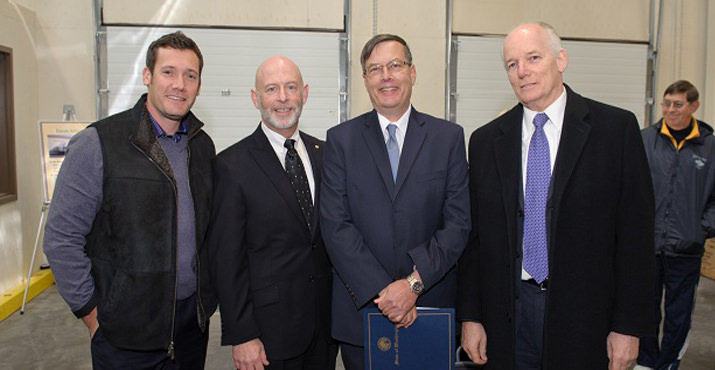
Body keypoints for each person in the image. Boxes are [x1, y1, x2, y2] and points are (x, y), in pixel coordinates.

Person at [457, 22, 655, 370]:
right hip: (508, 317)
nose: (523, 72)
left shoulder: (615, 130)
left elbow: (635, 239)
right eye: (512, 64)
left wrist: (627, 327)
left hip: (586, 319)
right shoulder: (486, 141)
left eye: (533, 58)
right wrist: (471, 316)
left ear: (561, 59)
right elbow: (476, 241)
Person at [43, 31, 216, 369]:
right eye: (168, 72)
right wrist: (92, 315)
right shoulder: (98, 143)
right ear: (147, 76)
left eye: (190, 75)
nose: (179, 84)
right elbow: (61, 238)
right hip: (124, 335)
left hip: (190, 330)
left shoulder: (202, 146)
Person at [320, 34, 471, 370]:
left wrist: (412, 285)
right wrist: (386, 294)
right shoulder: (340, 141)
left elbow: (458, 223)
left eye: (395, 65)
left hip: (430, 310)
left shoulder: (448, 139)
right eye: (375, 69)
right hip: (363, 313)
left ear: (412, 72)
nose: (385, 75)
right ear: (365, 80)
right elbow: (335, 225)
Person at [206, 56, 336, 370]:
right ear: (256, 98)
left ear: (304, 93)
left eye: (291, 87)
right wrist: (242, 333)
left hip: (325, 328)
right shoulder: (231, 166)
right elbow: (227, 259)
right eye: (272, 89)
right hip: (267, 335)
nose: (282, 98)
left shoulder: (328, 155)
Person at [637, 80, 715, 370]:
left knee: (679, 314)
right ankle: (644, 362)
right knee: (644, 310)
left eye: (677, 104)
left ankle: (669, 363)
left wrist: (702, 227)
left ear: (694, 106)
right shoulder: (646, 140)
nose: (670, 110)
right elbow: (631, 188)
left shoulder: (709, 147)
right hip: (648, 246)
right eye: (666, 103)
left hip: (687, 248)